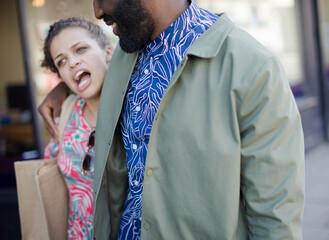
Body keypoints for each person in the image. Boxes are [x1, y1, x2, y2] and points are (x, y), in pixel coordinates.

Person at [38, 0, 305, 239]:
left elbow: (275, 212)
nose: (97, 11)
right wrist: (63, 90)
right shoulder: (123, 57)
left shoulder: (254, 67)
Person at [39, 17, 113, 239]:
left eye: (81, 49)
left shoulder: (136, 110)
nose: (71, 63)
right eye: (61, 62)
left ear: (108, 53)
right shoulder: (66, 115)